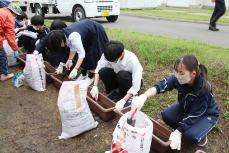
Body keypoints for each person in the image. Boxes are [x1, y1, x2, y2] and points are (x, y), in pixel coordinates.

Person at [131, 55, 219, 150]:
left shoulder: (204, 88)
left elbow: (196, 114)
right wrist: (144, 96)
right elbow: (161, 85)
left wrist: (179, 131)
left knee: (190, 135)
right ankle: (184, 128)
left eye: (181, 73)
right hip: (186, 108)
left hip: (205, 114)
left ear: (193, 74)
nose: (177, 75)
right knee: (166, 115)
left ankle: (200, 134)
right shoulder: (179, 78)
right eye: (176, 71)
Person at [90, 40, 143, 109]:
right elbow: (98, 68)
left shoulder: (132, 60)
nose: (112, 62)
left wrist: (123, 100)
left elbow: (136, 84)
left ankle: (127, 96)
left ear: (122, 54)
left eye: (114, 61)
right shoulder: (108, 54)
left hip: (129, 80)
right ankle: (115, 91)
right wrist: (95, 86)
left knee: (122, 74)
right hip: (118, 76)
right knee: (103, 71)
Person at [0, 2, 22, 81]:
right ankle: (3, 75)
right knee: (2, 56)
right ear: (14, 12)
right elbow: (10, 36)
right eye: (16, 14)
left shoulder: (2, 10)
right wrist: (15, 49)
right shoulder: (9, 16)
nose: (15, 16)